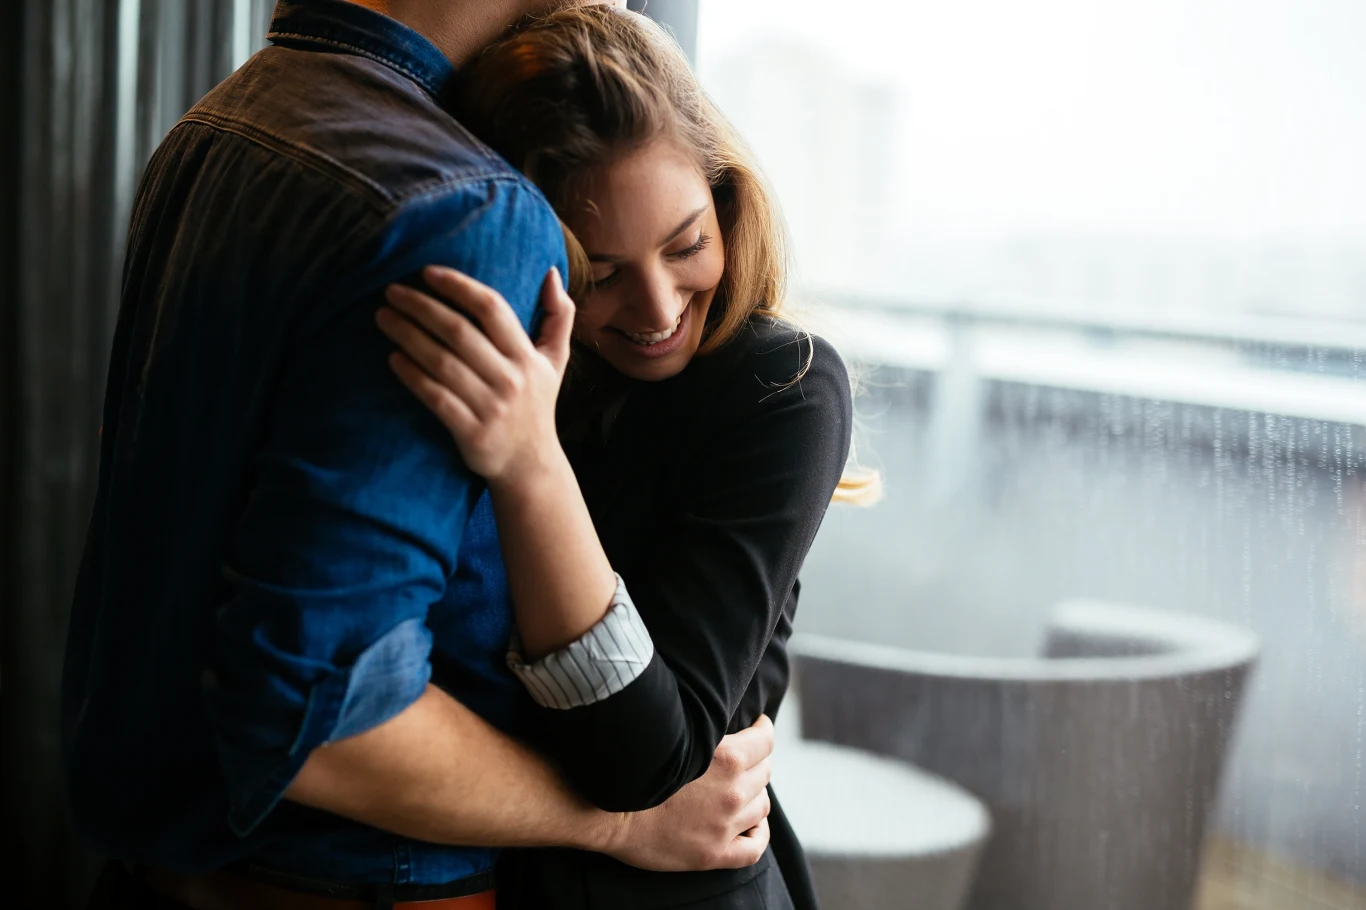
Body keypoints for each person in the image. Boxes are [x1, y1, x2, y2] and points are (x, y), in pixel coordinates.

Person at [62, 2, 779, 908]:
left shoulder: (217, 127)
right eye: (599, 274)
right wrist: (619, 822)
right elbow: (331, 720)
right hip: (359, 882)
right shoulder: (465, 206)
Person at [374, 7, 871, 908]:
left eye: (687, 245)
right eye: (600, 274)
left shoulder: (783, 387)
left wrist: (529, 465)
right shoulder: (510, 369)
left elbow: (649, 758)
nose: (654, 308)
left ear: (727, 199)